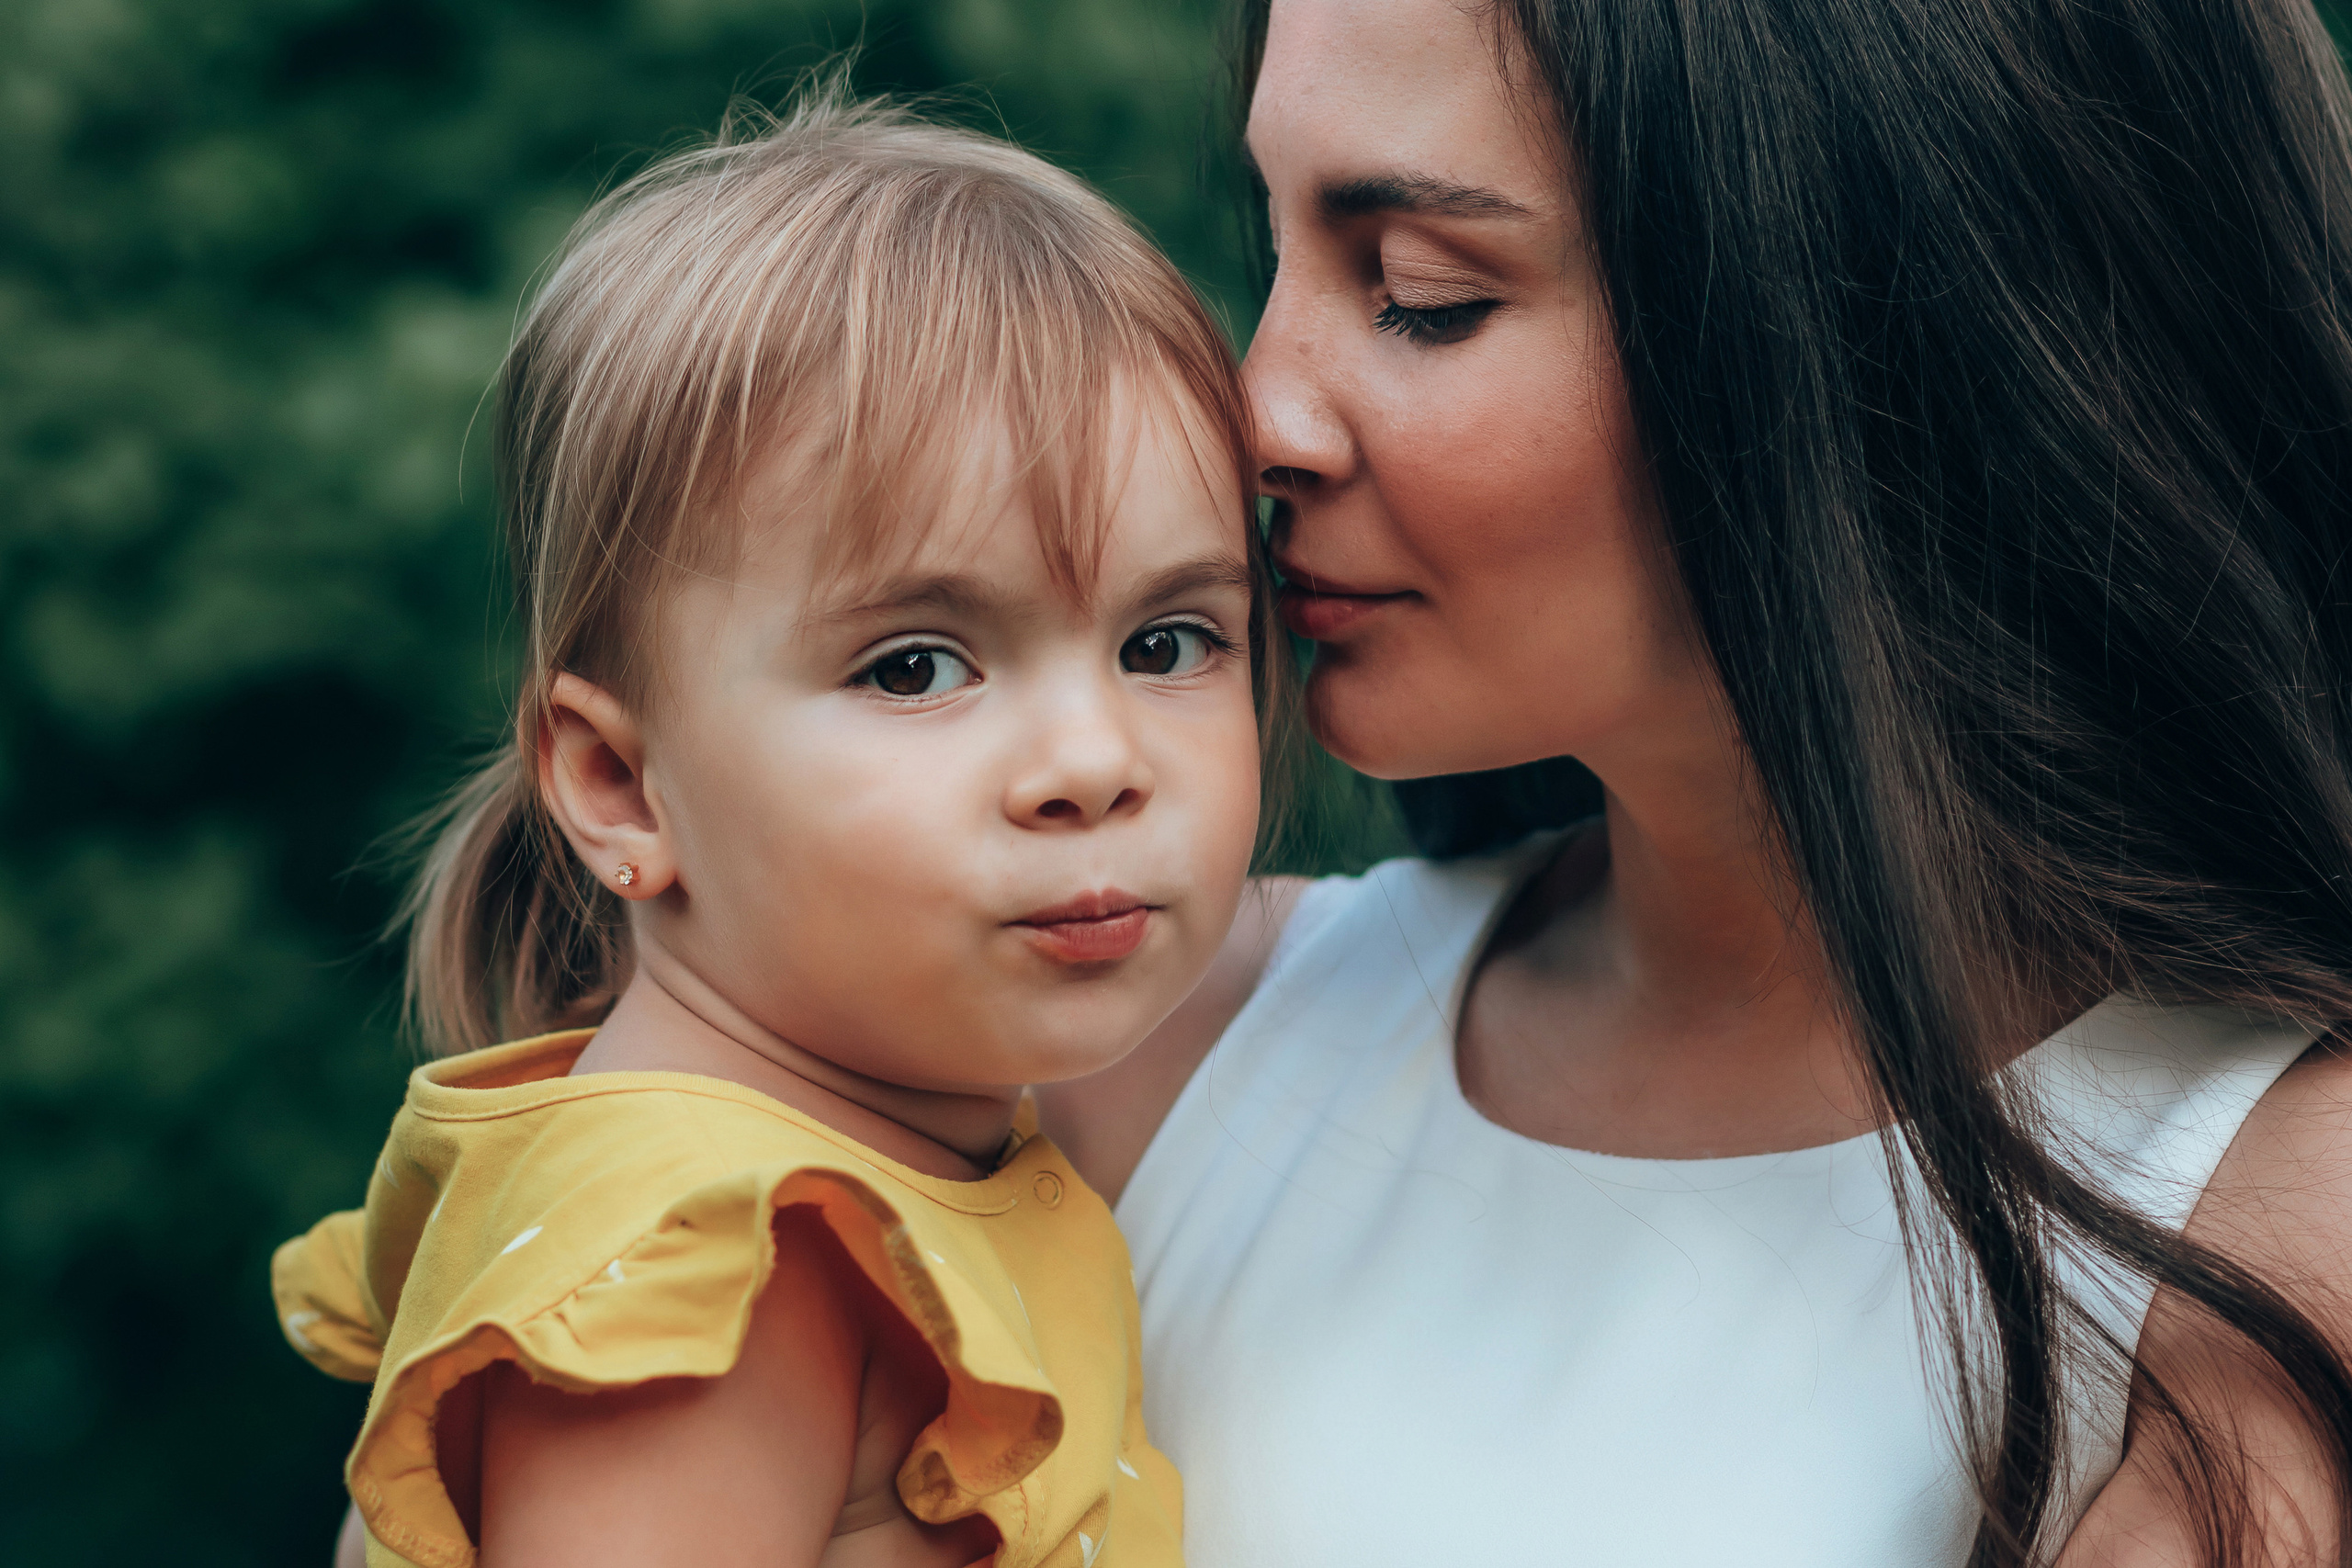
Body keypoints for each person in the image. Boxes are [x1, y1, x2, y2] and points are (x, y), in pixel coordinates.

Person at [1042, 0, 2352, 1563]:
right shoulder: (1132, 1042)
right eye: (1275, 256)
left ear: (1888, 322)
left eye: (1420, 295)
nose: (1257, 412)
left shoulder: (2268, 1236)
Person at [271, 86, 1286, 1568]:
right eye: (915, 667)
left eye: (1167, 643)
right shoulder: (721, 1270)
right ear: (621, 787)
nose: (1093, 761)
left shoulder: (876, 1159)